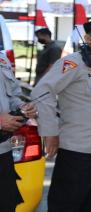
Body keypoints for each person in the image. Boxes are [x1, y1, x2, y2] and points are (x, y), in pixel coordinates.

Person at [31, 17, 91, 212]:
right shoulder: (73, 63)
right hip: (79, 153)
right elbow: (42, 92)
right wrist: (50, 131)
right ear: (89, 38)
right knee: (67, 205)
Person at [0, 52, 37, 211]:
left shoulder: (2, 58)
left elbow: (12, 95)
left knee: (7, 204)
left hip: (3, 150)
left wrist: (22, 107)